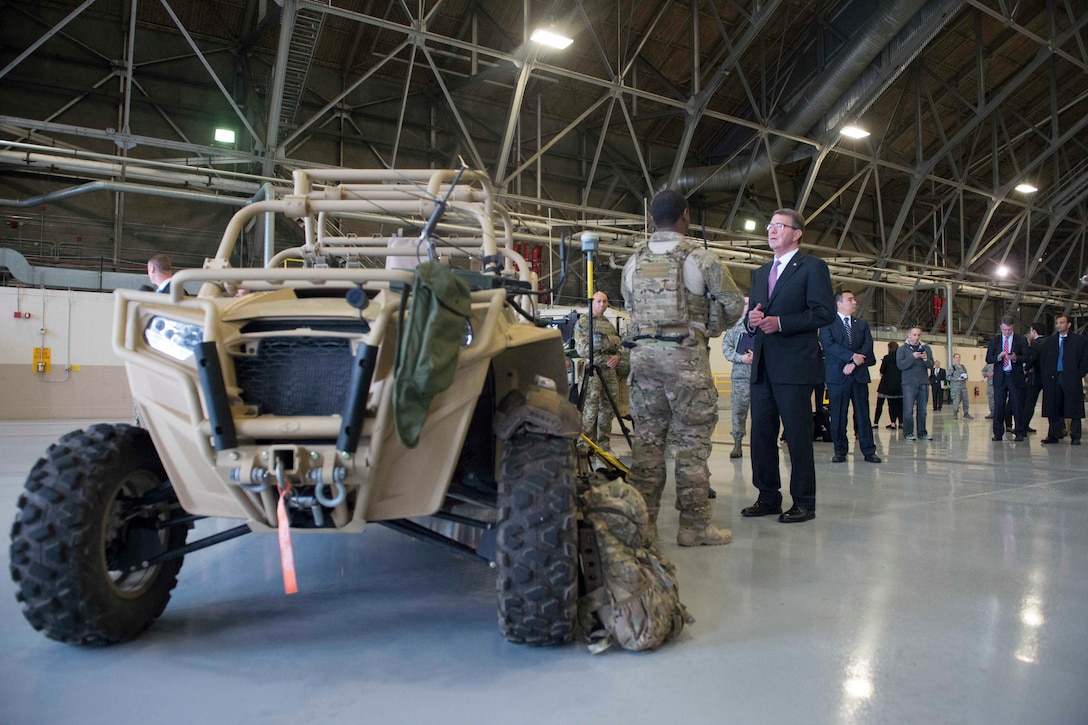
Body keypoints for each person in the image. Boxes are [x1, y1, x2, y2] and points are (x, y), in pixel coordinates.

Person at [622, 189, 743, 546]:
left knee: (646, 446)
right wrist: (710, 324)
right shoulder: (701, 258)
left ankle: (642, 529)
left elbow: (631, 306)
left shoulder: (633, 261)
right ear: (685, 216)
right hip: (686, 360)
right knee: (692, 445)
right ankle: (694, 527)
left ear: (652, 219)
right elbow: (734, 305)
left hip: (642, 362)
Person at [741, 208, 834, 524]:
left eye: (779, 225)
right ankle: (768, 496)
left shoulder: (812, 268)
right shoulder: (760, 273)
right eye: (769, 224)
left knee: (796, 437)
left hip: (794, 367)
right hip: (763, 366)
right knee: (761, 436)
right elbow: (753, 315)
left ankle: (805, 501)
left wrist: (781, 323)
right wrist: (751, 321)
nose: (772, 230)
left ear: (797, 233)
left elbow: (824, 313)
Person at [819, 290, 880, 463]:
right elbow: (829, 345)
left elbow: (867, 345)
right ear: (839, 303)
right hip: (837, 376)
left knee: (863, 415)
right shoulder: (827, 324)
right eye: (850, 299)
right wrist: (850, 357)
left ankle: (869, 451)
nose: (854, 302)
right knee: (838, 415)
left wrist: (854, 363)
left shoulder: (861, 324)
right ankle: (840, 450)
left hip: (858, 375)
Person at [574, 291, 622, 453]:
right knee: (589, 410)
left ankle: (603, 445)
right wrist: (607, 346)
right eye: (599, 301)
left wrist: (617, 357)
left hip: (609, 373)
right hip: (593, 373)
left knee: (608, 410)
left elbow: (619, 347)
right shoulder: (584, 323)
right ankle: (584, 446)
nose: (602, 305)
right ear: (591, 303)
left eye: (605, 301)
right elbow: (583, 349)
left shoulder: (608, 324)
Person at [1039, 315, 1088, 445]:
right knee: (1053, 406)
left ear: (1069, 324)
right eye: (1057, 323)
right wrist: (1046, 375)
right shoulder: (1050, 342)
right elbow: (1043, 360)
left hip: (1071, 377)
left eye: (1062, 322)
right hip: (1053, 377)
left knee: (1074, 407)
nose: (1059, 325)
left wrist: (1079, 374)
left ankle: (1075, 435)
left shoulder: (1079, 341)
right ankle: (1054, 434)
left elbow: (1085, 359)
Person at [985, 315, 1029, 442]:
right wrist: (999, 357)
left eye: (1009, 329)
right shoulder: (995, 341)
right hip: (1000, 377)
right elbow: (988, 358)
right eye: (1005, 330)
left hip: (1015, 376)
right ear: (1001, 328)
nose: (1007, 332)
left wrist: (1016, 358)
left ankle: (1019, 432)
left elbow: (1026, 357)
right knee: (999, 405)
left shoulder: (1021, 340)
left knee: (1017, 405)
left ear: (1013, 327)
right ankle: (998, 433)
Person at [722, 297, 755, 459]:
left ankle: (760, 443)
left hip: (759, 376)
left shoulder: (759, 325)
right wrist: (740, 358)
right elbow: (726, 347)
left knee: (760, 412)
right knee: (738, 411)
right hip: (741, 376)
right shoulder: (734, 327)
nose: (746, 306)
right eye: (744, 303)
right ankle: (737, 443)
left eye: (749, 303)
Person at [896, 327, 934, 441]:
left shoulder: (926, 348)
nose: (916, 337)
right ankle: (908, 433)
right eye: (914, 335)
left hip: (923, 383)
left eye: (918, 335)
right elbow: (901, 365)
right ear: (909, 335)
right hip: (909, 384)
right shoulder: (902, 349)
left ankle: (922, 433)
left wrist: (926, 359)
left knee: (922, 411)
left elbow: (931, 365)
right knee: (908, 410)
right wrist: (912, 357)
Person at [1021, 322, 1046, 432]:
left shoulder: (1035, 343)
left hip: (1035, 377)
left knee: (1029, 403)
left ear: (1034, 331)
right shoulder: (1048, 342)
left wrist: (1026, 369)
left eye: (1031, 331)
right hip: (1046, 377)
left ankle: (1023, 425)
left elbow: (1032, 359)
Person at [873, 341, 902, 429]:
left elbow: (882, 371)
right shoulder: (900, 359)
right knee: (896, 405)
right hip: (898, 386)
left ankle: (876, 423)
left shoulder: (886, 358)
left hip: (885, 385)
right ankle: (896, 422)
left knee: (879, 404)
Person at [948, 353, 973, 419]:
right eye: (956, 357)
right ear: (954, 359)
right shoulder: (952, 367)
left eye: (959, 357)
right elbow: (948, 377)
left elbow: (966, 375)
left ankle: (966, 412)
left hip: (963, 386)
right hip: (955, 387)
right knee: (956, 401)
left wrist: (965, 377)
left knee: (965, 400)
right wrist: (956, 379)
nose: (958, 359)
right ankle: (955, 413)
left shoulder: (963, 367)